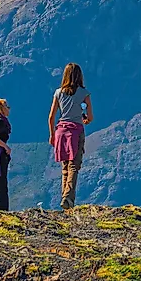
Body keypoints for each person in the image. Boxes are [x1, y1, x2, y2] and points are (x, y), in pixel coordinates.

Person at [49, 62, 94, 209]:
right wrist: (85, 119)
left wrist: (52, 135)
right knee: (74, 165)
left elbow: (51, 117)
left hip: (61, 131)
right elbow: (90, 117)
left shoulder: (58, 92)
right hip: (76, 131)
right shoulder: (84, 93)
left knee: (65, 166)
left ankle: (65, 197)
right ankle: (68, 198)